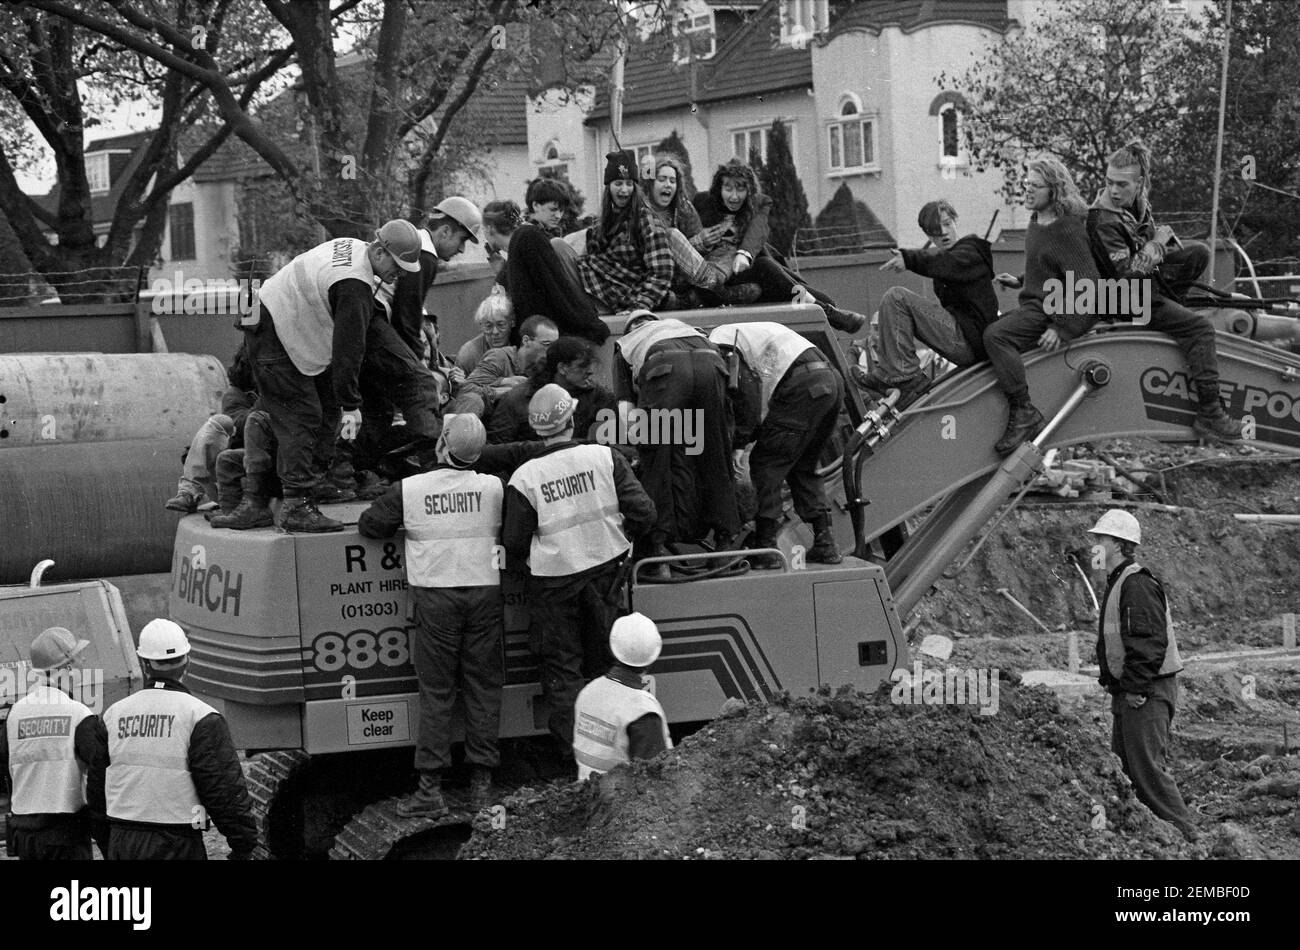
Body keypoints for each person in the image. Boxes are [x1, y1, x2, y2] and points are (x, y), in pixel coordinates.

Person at [358, 414, 506, 817]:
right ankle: (481, 787)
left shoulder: (410, 489)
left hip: (436, 600)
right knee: (483, 688)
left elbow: (370, 525)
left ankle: (430, 790)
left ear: (442, 444)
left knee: (437, 694)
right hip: (485, 597)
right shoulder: (493, 487)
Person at [503, 384, 656, 758]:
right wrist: (624, 538)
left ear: (536, 430)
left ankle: (579, 759)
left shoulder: (524, 477)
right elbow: (645, 513)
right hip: (608, 576)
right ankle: (620, 751)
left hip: (553, 585)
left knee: (562, 672)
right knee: (610, 664)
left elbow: (514, 543)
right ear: (572, 419)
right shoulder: (604, 457)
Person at [248, 218, 422, 532]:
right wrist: (351, 405)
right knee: (305, 416)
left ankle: (289, 495)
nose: (398, 275)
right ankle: (295, 505)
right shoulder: (355, 284)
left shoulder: (354, 249)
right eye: (397, 266)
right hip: (277, 335)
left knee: (324, 414)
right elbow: (349, 349)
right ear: (380, 251)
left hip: (278, 327)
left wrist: (339, 402)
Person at [1087, 140, 1242, 443]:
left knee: (1197, 252)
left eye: (1122, 184)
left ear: (1139, 183)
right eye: (1109, 183)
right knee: (1200, 329)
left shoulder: (1137, 206)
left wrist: (1161, 242)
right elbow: (1128, 275)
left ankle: (1172, 310)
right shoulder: (1103, 220)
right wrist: (1157, 243)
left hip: (1143, 289)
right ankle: (1210, 413)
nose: (1113, 190)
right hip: (1123, 299)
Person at [94, 619, 257, 860]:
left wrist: (108, 841)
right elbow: (222, 789)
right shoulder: (201, 716)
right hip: (176, 841)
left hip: (123, 836)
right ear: (187, 661)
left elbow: (97, 786)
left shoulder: (113, 714)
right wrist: (243, 843)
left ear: (144, 663)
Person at [982, 157, 1108, 455]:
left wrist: (1062, 328)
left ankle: (1024, 411)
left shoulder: (1066, 229)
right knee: (988, 333)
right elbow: (1051, 268)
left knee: (996, 336)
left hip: (1050, 310)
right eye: (1025, 184)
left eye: (1034, 186)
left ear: (1054, 190)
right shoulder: (1037, 221)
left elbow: (1086, 284)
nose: (1026, 190)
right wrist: (1021, 281)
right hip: (1036, 302)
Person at [1087, 509, 1199, 842]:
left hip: (1145, 691)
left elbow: (1148, 642)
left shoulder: (1136, 583)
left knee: (1147, 769)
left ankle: (1187, 836)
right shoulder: (1121, 580)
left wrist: (1135, 688)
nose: (1094, 546)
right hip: (1131, 691)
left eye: (1100, 540)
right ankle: (1151, 837)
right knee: (1126, 767)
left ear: (1119, 545)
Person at [708, 321, 844, 569]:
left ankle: (766, 548)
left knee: (765, 462)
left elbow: (745, 392)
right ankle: (825, 543)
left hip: (802, 384)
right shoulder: (749, 333)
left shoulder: (720, 340)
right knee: (803, 464)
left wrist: (739, 444)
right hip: (830, 382)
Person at [613, 310, 738, 557]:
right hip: (710, 364)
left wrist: (642, 444)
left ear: (631, 328)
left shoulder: (625, 344)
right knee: (716, 455)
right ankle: (725, 544)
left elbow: (626, 409)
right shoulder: (688, 329)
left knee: (657, 461)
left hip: (664, 367)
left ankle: (657, 551)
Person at [693, 159, 866, 333]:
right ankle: (826, 311)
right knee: (766, 266)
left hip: (749, 270)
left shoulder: (759, 204)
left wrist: (744, 254)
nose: (734, 196)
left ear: (749, 191)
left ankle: (825, 309)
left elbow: (757, 231)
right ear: (719, 188)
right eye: (728, 189)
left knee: (825, 299)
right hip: (724, 277)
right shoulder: (703, 203)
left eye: (740, 189)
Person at [855, 199, 999, 407]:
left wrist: (909, 259)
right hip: (963, 340)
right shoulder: (945, 263)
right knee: (893, 301)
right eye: (935, 232)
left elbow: (947, 263)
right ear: (929, 236)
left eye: (948, 224)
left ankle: (905, 377)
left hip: (972, 341)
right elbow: (942, 263)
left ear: (955, 222)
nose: (944, 233)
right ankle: (893, 372)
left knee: (897, 297)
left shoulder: (972, 250)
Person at [1, 627, 108, 860]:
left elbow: (5, 768)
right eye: (78, 658)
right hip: (65, 834)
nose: (82, 664)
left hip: (24, 833)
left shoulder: (16, 713)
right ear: (66, 668)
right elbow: (101, 772)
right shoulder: (78, 714)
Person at [484, 199, 612, 344]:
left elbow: (556, 287)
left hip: (545, 341)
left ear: (489, 229)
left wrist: (590, 325)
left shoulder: (528, 238)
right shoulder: (517, 251)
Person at [641, 155, 757, 308]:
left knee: (730, 248)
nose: (668, 185)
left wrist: (704, 242)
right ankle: (717, 293)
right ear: (650, 184)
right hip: (661, 277)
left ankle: (707, 292)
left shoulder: (683, 208)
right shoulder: (642, 213)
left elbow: (695, 257)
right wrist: (698, 242)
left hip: (692, 278)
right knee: (671, 235)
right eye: (662, 179)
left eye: (672, 181)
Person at [573, 613, 672, 780]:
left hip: (587, 795)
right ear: (652, 658)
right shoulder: (642, 711)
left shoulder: (588, 692)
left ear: (613, 649)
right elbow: (654, 781)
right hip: (621, 802)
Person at [165, 343, 257, 512]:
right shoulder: (238, 395)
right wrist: (269, 400)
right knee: (219, 423)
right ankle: (189, 491)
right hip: (238, 472)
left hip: (274, 471)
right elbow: (243, 424)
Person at [487, 335, 617, 445]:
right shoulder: (516, 399)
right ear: (562, 368)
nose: (590, 371)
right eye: (582, 366)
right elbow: (497, 451)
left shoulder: (598, 396)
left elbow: (616, 444)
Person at [459, 314, 559, 412]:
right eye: (546, 344)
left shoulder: (548, 366)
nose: (553, 350)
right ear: (526, 340)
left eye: (555, 345)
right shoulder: (499, 358)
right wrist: (504, 387)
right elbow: (465, 390)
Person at [209, 408, 278, 529]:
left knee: (256, 419)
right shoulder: (238, 395)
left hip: (296, 457)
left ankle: (256, 506)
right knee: (227, 458)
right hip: (275, 452)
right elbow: (237, 422)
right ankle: (232, 511)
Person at [456, 285, 515, 374]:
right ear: (481, 326)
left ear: (512, 322)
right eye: (488, 326)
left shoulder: (520, 347)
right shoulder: (468, 354)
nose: (495, 332)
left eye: (501, 325)